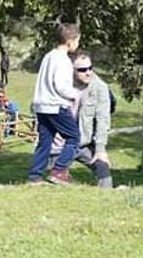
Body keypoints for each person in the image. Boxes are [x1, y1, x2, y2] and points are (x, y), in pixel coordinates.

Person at [27, 23, 82, 185]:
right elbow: (61, 85)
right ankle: (58, 171)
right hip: (55, 105)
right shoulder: (62, 60)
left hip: (41, 106)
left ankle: (35, 175)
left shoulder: (49, 56)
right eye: (77, 40)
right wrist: (74, 94)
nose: (78, 44)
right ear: (70, 41)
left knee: (45, 141)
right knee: (73, 137)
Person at [49, 52, 113, 188]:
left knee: (105, 173)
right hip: (62, 145)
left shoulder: (100, 88)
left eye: (90, 68)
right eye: (82, 70)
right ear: (72, 70)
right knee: (56, 183)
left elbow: (103, 119)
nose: (88, 72)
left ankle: (107, 199)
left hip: (85, 143)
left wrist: (100, 149)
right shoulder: (61, 84)